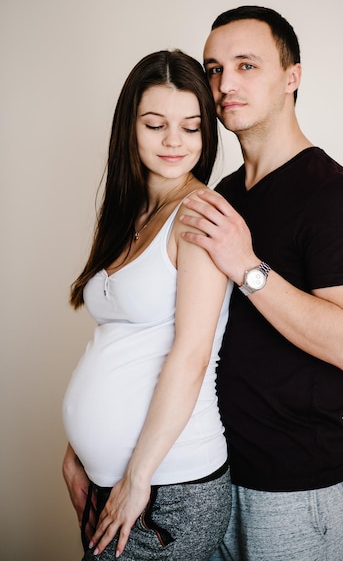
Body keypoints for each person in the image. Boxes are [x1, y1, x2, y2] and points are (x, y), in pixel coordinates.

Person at [180, 6, 343, 561]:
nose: (224, 85)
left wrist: (247, 266)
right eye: (214, 69)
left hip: (294, 487)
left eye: (247, 65)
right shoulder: (223, 193)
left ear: (292, 77)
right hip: (210, 475)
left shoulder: (331, 195)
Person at [62, 49, 234, 561]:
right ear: (129, 129)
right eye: (156, 125)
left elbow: (191, 354)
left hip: (166, 489)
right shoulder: (129, 211)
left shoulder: (199, 215)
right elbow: (119, 343)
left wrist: (137, 479)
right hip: (110, 483)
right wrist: (77, 452)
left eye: (190, 126)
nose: (174, 142)